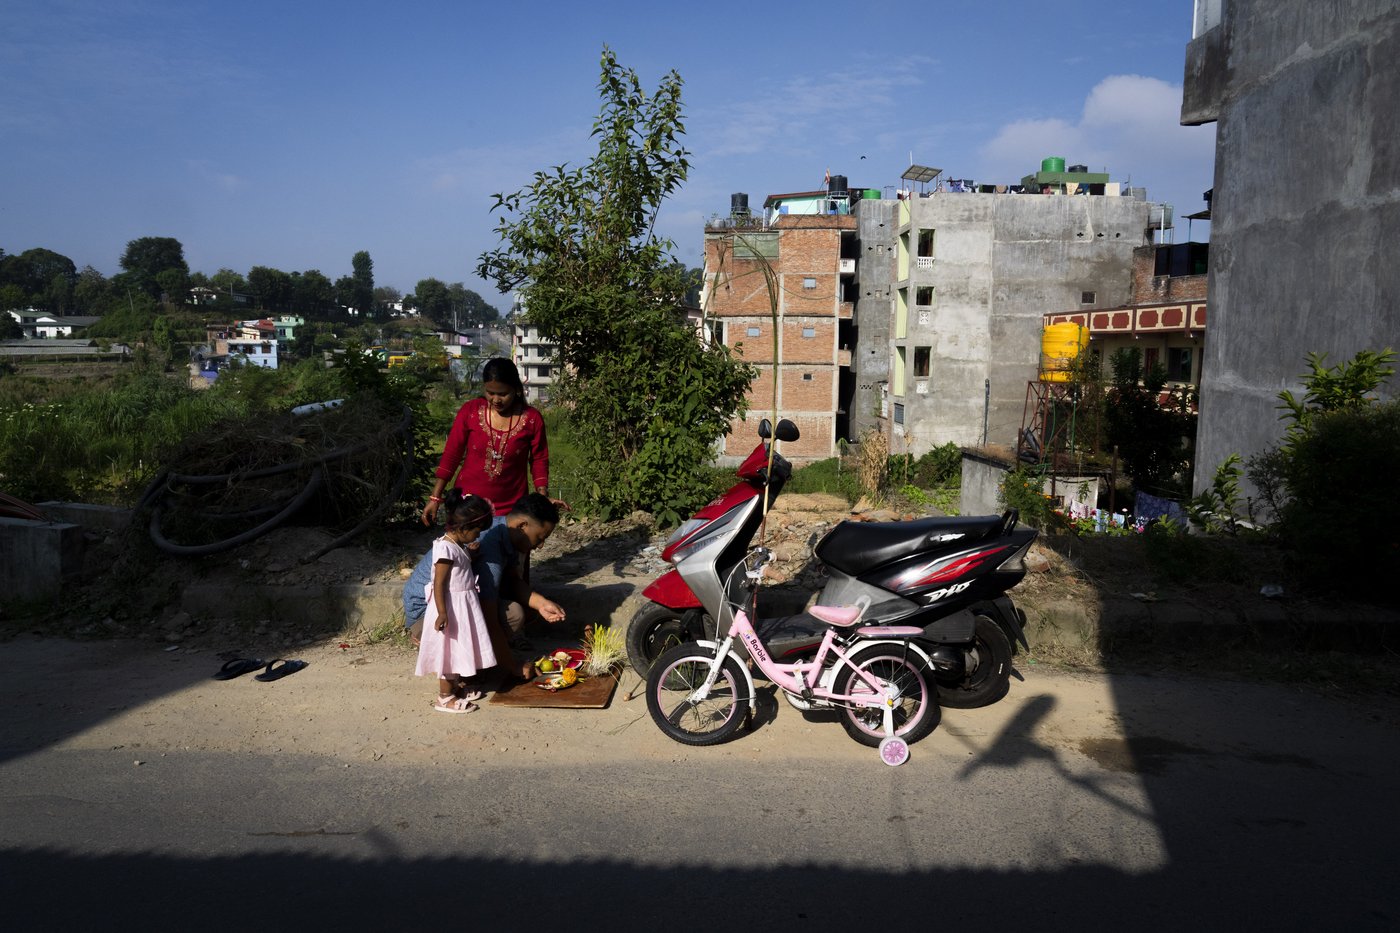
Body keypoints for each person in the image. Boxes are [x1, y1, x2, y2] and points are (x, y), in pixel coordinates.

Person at [421, 357, 567, 525]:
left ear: (516, 390)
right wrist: (435, 497)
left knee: (508, 551)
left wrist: (543, 497)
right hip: (466, 508)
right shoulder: (470, 411)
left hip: (512, 510)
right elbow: (452, 455)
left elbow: (539, 460)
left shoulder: (532, 419)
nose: (496, 400)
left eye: (503, 394)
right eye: (490, 393)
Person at [413, 490, 496, 714]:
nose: (478, 537)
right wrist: (442, 612)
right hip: (450, 607)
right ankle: (444, 697)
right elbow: (439, 583)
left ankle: (456, 687)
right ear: (463, 527)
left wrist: (470, 554)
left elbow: (460, 568)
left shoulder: (456, 547)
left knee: (457, 649)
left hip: (462, 607)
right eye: (477, 532)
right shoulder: (445, 549)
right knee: (447, 654)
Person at [476, 493, 566, 653]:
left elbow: (511, 583)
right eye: (539, 538)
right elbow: (488, 615)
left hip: (470, 604)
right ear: (522, 525)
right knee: (502, 620)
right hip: (431, 614)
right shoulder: (491, 549)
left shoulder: (505, 533)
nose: (540, 546)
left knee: (518, 612)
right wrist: (513, 667)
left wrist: (542, 604)